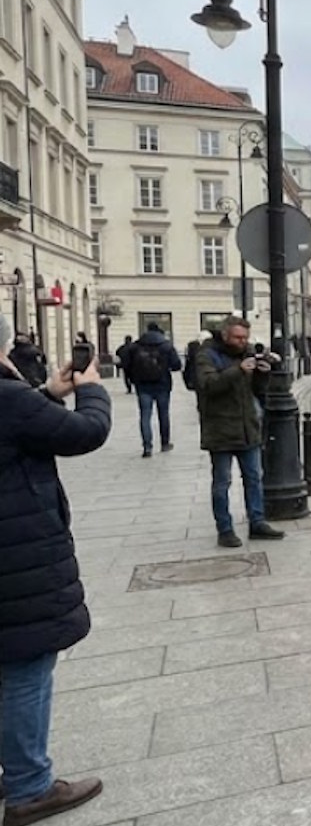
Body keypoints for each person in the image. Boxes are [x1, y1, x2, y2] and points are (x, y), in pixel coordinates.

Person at [0, 311, 109, 825]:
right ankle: (29, 787)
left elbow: (19, 427)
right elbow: (86, 433)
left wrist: (45, 393)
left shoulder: (14, 401)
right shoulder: (7, 398)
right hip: (14, 553)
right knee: (25, 667)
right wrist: (92, 391)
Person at [195, 316, 286, 548]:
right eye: (237, 337)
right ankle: (225, 529)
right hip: (220, 429)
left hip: (247, 428)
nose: (242, 341)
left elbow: (256, 390)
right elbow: (207, 385)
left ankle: (257, 522)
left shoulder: (248, 353)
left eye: (245, 337)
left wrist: (263, 374)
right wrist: (238, 370)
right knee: (222, 482)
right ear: (225, 335)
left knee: (254, 478)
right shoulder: (207, 354)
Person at [130, 322, 182, 458]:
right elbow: (176, 365)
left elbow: (127, 364)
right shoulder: (166, 345)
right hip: (162, 384)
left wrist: (134, 378)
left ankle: (147, 447)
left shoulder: (136, 346)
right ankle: (165, 443)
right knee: (163, 414)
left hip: (143, 385)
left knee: (145, 416)